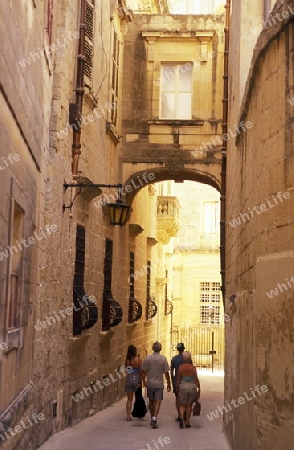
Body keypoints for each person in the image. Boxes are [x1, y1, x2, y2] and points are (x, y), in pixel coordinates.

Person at [140, 341, 171, 428]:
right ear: (160, 349)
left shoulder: (148, 358)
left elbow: (143, 371)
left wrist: (143, 381)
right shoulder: (163, 359)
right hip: (159, 384)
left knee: (151, 401)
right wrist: (169, 383)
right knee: (158, 402)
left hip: (150, 383)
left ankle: (152, 417)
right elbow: (166, 373)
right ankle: (154, 417)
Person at [175, 351, 200, 429]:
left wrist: (176, 387)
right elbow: (196, 379)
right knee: (189, 405)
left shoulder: (181, 367)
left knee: (182, 404)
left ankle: (182, 417)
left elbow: (178, 378)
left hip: (183, 386)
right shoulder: (193, 368)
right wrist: (199, 388)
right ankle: (187, 422)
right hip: (192, 386)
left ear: (183, 359)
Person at [125, 344, 142, 421]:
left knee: (129, 399)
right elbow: (141, 371)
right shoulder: (139, 360)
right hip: (137, 378)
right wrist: (141, 381)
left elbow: (127, 371)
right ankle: (139, 414)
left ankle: (128, 416)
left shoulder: (127, 361)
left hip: (129, 378)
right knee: (138, 397)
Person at [170, 342, 186, 421]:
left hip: (177, 380)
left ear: (177, 349)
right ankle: (185, 413)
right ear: (184, 349)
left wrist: (172, 379)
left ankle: (180, 415)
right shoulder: (187, 358)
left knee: (177, 398)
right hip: (185, 380)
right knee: (186, 397)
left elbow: (171, 370)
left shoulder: (174, 359)